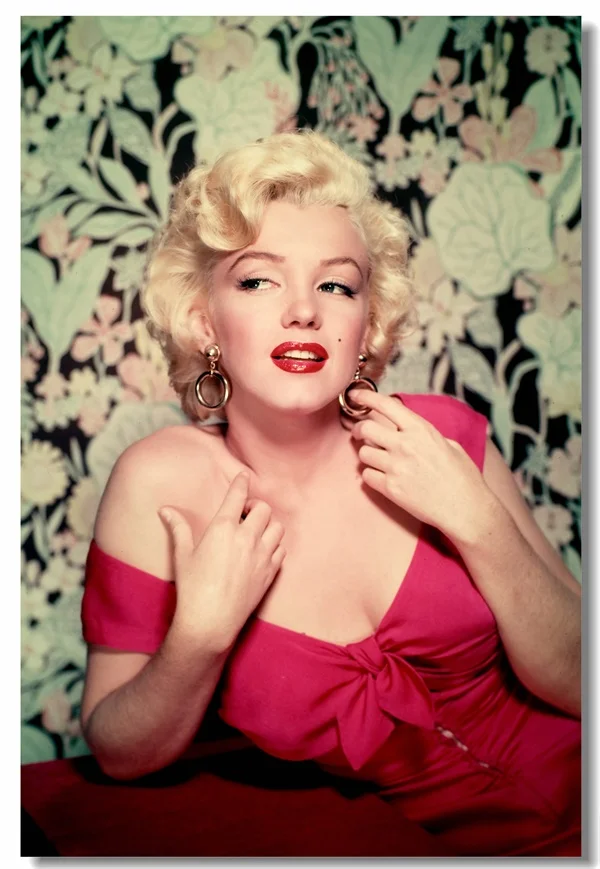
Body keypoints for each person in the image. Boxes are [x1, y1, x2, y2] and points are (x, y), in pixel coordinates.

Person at [80, 129, 581, 857]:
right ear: (202, 319)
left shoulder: (440, 436)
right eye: (258, 280)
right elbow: (118, 752)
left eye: (337, 285)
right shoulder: (159, 485)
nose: (303, 311)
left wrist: (480, 523)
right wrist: (199, 638)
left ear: (366, 323)